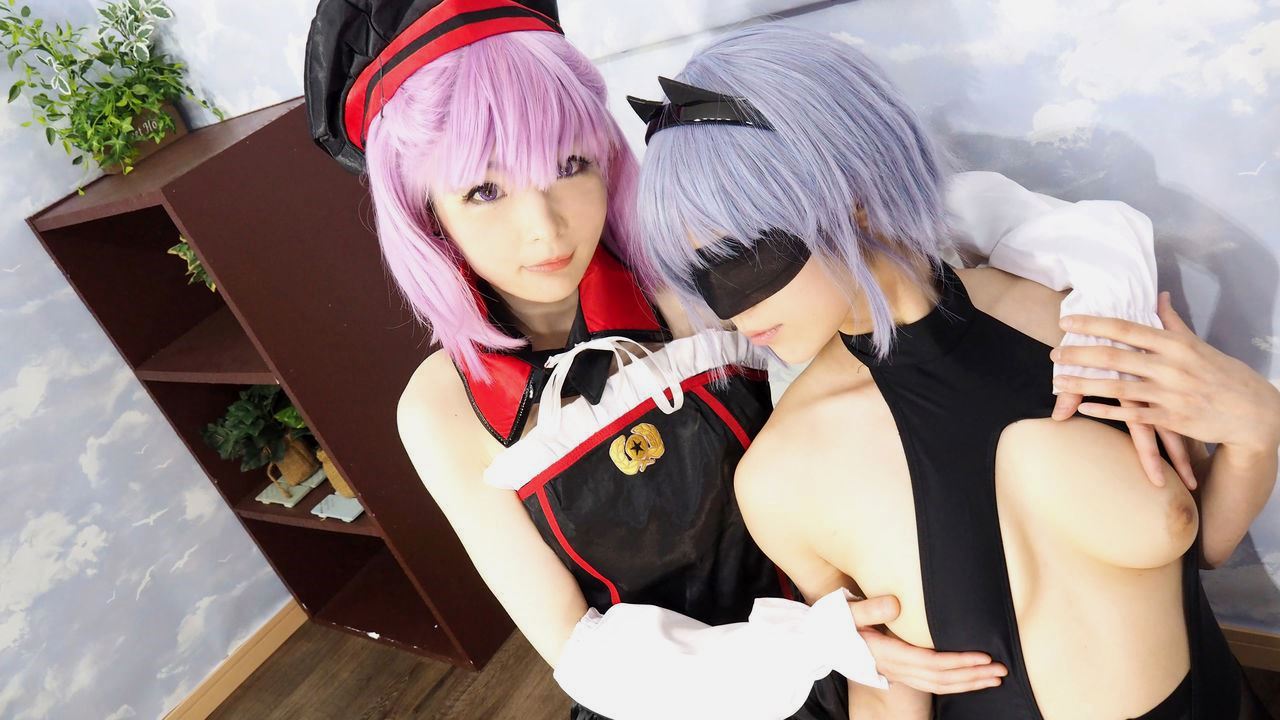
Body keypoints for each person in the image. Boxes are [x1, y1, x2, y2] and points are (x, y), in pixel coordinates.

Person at [304, 4, 1201, 718]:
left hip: (866, 644)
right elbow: (579, 650)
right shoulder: (443, 409)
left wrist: (1109, 308)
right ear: (422, 209)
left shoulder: (691, 276)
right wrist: (811, 644)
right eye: (484, 189)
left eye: (570, 164)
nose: (544, 228)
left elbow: (912, 208)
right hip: (687, 697)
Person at [632, 22, 1277, 719]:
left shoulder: (1079, 313)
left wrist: (1259, 431)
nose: (728, 308)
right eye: (697, 274)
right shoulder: (782, 478)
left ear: (850, 190)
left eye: (740, 254)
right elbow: (890, 691)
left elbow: (1202, 546)